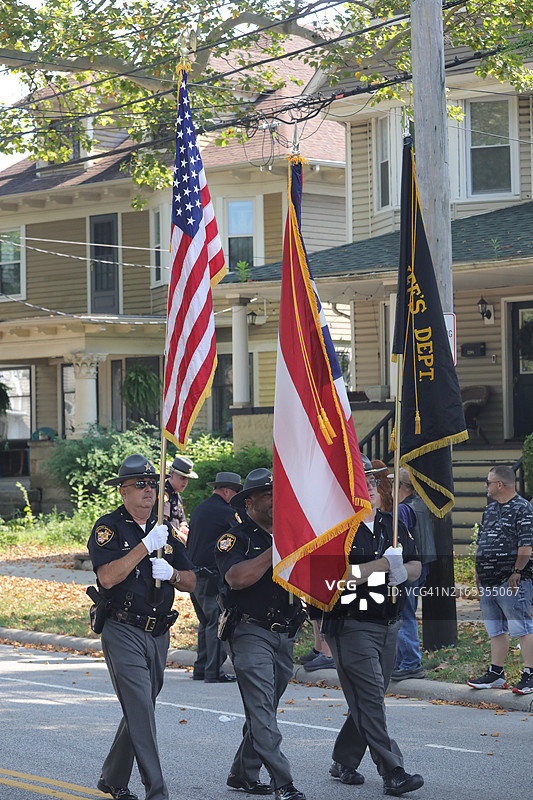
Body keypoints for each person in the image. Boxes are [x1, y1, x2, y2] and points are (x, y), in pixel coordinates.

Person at [87, 454, 196, 800]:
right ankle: (157, 791)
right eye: (140, 484)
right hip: (122, 629)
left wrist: (175, 574)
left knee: (141, 708)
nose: (149, 490)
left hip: (159, 632)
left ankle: (112, 778)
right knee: (142, 710)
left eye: (153, 484)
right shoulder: (109, 529)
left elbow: (193, 581)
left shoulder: (164, 530)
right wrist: (143, 548)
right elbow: (107, 577)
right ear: (122, 491)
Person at [322, 453, 424, 797]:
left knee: (370, 698)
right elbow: (333, 577)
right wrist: (381, 565)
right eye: (358, 482)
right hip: (351, 624)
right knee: (370, 699)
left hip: (388, 622)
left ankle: (342, 760)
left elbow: (415, 566)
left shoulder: (391, 523)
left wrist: (402, 571)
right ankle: (393, 771)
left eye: (369, 480)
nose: (366, 485)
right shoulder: (335, 528)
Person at [215, 468, 307, 800]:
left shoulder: (291, 534)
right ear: (249, 501)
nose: (276, 501)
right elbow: (237, 578)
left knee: (263, 709)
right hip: (250, 631)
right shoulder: (236, 539)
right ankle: (284, 781)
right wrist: (276, 550)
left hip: (285, 634)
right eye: (269, 495)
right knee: (263, 710)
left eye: (279, 494)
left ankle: (243, 773)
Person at [467, 464, 533, 694]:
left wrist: (517, 571)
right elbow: (481, 541)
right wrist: (478, 572)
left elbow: (526, 545)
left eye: (488, 482)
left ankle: (530, 673)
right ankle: (496, 674)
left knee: (522, 626)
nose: (485, 486)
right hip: (488, 580)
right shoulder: (490, 509)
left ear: (500, 484)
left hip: (511, 581)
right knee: (496, 629)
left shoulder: (523, 509)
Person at [187, 471, 243, 683]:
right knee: (218, 623)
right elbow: (240, 533)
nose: (236, 497)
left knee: (205, 623)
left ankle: (201, 668)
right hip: (211, 576)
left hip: (195, 574)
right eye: (236, 492)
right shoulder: (224, 511)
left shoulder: (201, 508)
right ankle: (214, 671)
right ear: (227, 491)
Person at [390, 467, 437, 681]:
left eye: (393, 483)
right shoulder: (420, 505)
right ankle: (404, 661)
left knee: (403, 614)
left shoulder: (402, 509)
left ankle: (410, 662)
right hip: (421, 566)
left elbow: (400, 542)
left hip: (409, 568)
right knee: (405, 613)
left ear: (401, 486)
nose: (389, 487)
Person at [161, 455, 198, 544]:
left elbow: (182, 520)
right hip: (168, 542)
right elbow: (163, 523)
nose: (185, 482)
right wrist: (182, 537)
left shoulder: (177, 496)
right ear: (172, 475)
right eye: (182, 478)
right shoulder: (163, 494)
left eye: (187, 479)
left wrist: (184, 527)